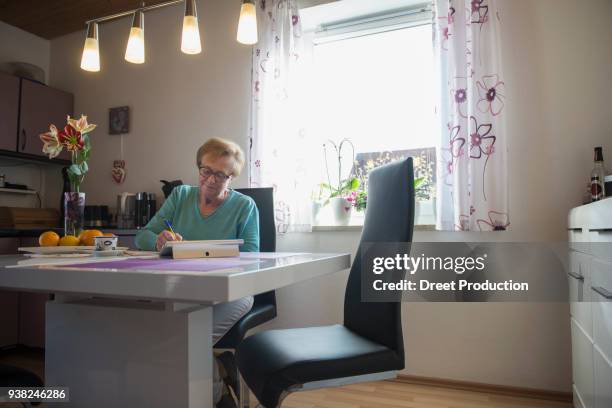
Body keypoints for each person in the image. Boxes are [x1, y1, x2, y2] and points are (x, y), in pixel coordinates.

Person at [135, 137, 259, 407]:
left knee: (188, 340)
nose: (211, 180)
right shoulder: (180, 196)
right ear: (198, 168)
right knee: (175, 339)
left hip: (232, 291)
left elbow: (252, 253)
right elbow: (142, 235)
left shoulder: (244, 206)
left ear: (232, 177)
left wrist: (205, 253)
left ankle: (213, 398)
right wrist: (157, 241)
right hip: (183, 289)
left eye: (220, 174)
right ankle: (220, 378)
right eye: (206, 171)